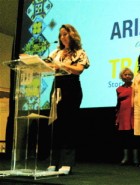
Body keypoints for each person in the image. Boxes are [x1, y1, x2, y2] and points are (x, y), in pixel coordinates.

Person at [44, 24, 90, 175]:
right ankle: (53, 161)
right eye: (61, 35)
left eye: (65, 34)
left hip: (71, 87)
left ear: (72, 35)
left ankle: (66, 162)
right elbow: (46, 64)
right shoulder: (56, 52)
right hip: (57, 87)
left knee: (68, 125)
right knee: (55, 125)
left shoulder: (79, 52)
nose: (62, 37)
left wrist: (62, 65)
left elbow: (79, 70)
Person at [115, 67, 139, 166]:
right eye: (126, 74)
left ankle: (136, 158)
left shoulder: (136, 87)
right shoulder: (118, 89)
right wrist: (117, 118)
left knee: (134, 138)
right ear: (122, 76)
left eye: (130, 74)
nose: (128, 76)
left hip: (133, 113)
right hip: (123, 115)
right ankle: (125, 158)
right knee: (125, 138)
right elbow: (118, 104)